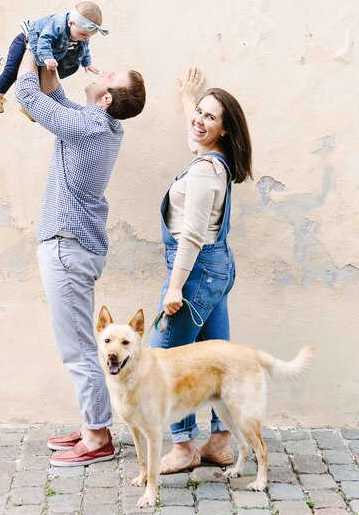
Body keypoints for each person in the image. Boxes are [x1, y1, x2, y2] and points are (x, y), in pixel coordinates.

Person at [15, 49, 146, 467]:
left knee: (79, 349)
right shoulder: (98, 124)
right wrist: (51, 71)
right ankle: (94, 423)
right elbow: (57, 103)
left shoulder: (91, 126)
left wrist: (29, 45)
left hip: (66, 247)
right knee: (80, 344)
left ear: (106, 99)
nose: (102, 71)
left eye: (109, 75)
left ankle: (97, 438)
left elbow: (30, 97)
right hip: (73, 246)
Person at [149, 67, 252, 473]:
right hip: (216, 269)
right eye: (201, 114)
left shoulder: (204, 172)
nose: (200, 121)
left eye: (211, 117)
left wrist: (174, 290)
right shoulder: (214, 162)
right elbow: (196, 142)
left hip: (193, 271)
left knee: (167, 360)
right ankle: (220, 442)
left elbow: (191, 235)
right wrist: (188, 103)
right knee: (216, 359)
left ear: (225, 130)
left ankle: (184, 445)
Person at [0, 1, 109, 113]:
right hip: (26, 40)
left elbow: (84, 47)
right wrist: (47, 57)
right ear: (71, 23)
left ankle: (26, 108)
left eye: (89, 36)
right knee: (12, 69)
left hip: (44, 52)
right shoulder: (57, 23)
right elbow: (44, 39)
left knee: (38, 79)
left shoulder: (81, 35)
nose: (85, 38)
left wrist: (87, 63)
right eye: (83, 34)